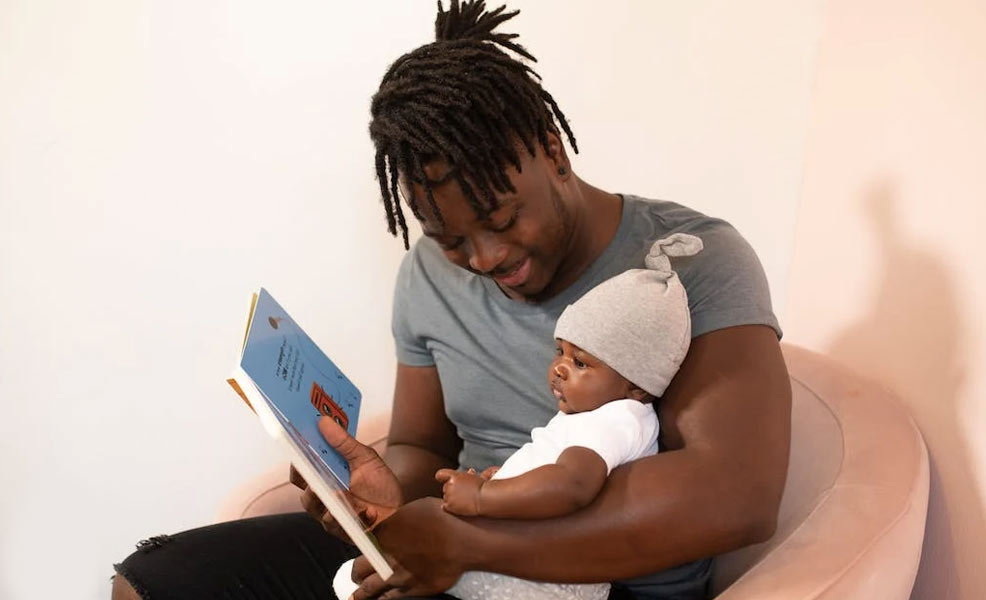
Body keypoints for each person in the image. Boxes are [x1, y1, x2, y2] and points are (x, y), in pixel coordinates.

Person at [111, 2, 791, 599]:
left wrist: (472, 545)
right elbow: (418, 444)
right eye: (451, 239)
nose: (486, 260)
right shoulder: (427, 277)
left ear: (552, 151)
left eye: (500, 220)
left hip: (594, 582)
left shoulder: (690, 261)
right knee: (157, 580)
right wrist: (383, 490)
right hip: (456, 553)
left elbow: (736, 496)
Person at [333, 234, 704, 600]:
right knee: (396, 556)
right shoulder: (594, 414)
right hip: (529, 561)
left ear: (637, 386)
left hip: (543, 579)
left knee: (387, 567)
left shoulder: (618, 418)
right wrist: (506, 482)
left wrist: (484, 497)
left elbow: (570, 485)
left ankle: (372, 564)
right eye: (560, 351)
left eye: (580, 363)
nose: (559, 368)